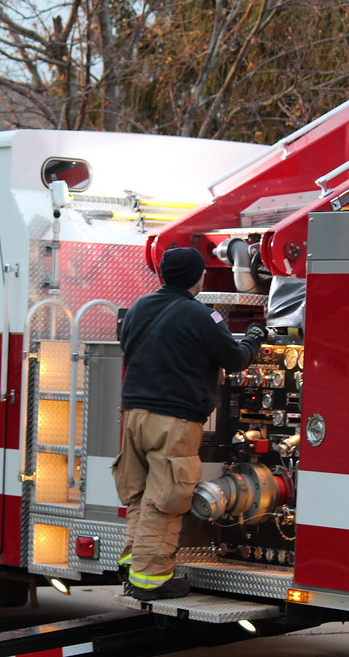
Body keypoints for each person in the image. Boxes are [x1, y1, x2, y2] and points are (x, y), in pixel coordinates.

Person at [112, 247, 266, 600]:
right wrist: (255, 337)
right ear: (199, 277)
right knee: (165, 500)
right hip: (174, 422)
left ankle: (132, 563)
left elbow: (128, 345)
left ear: (163, 275)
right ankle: (150, 579)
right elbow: (236, 358)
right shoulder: (202, 316)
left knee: (140, 496)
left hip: (134, 416)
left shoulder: (138, 307)